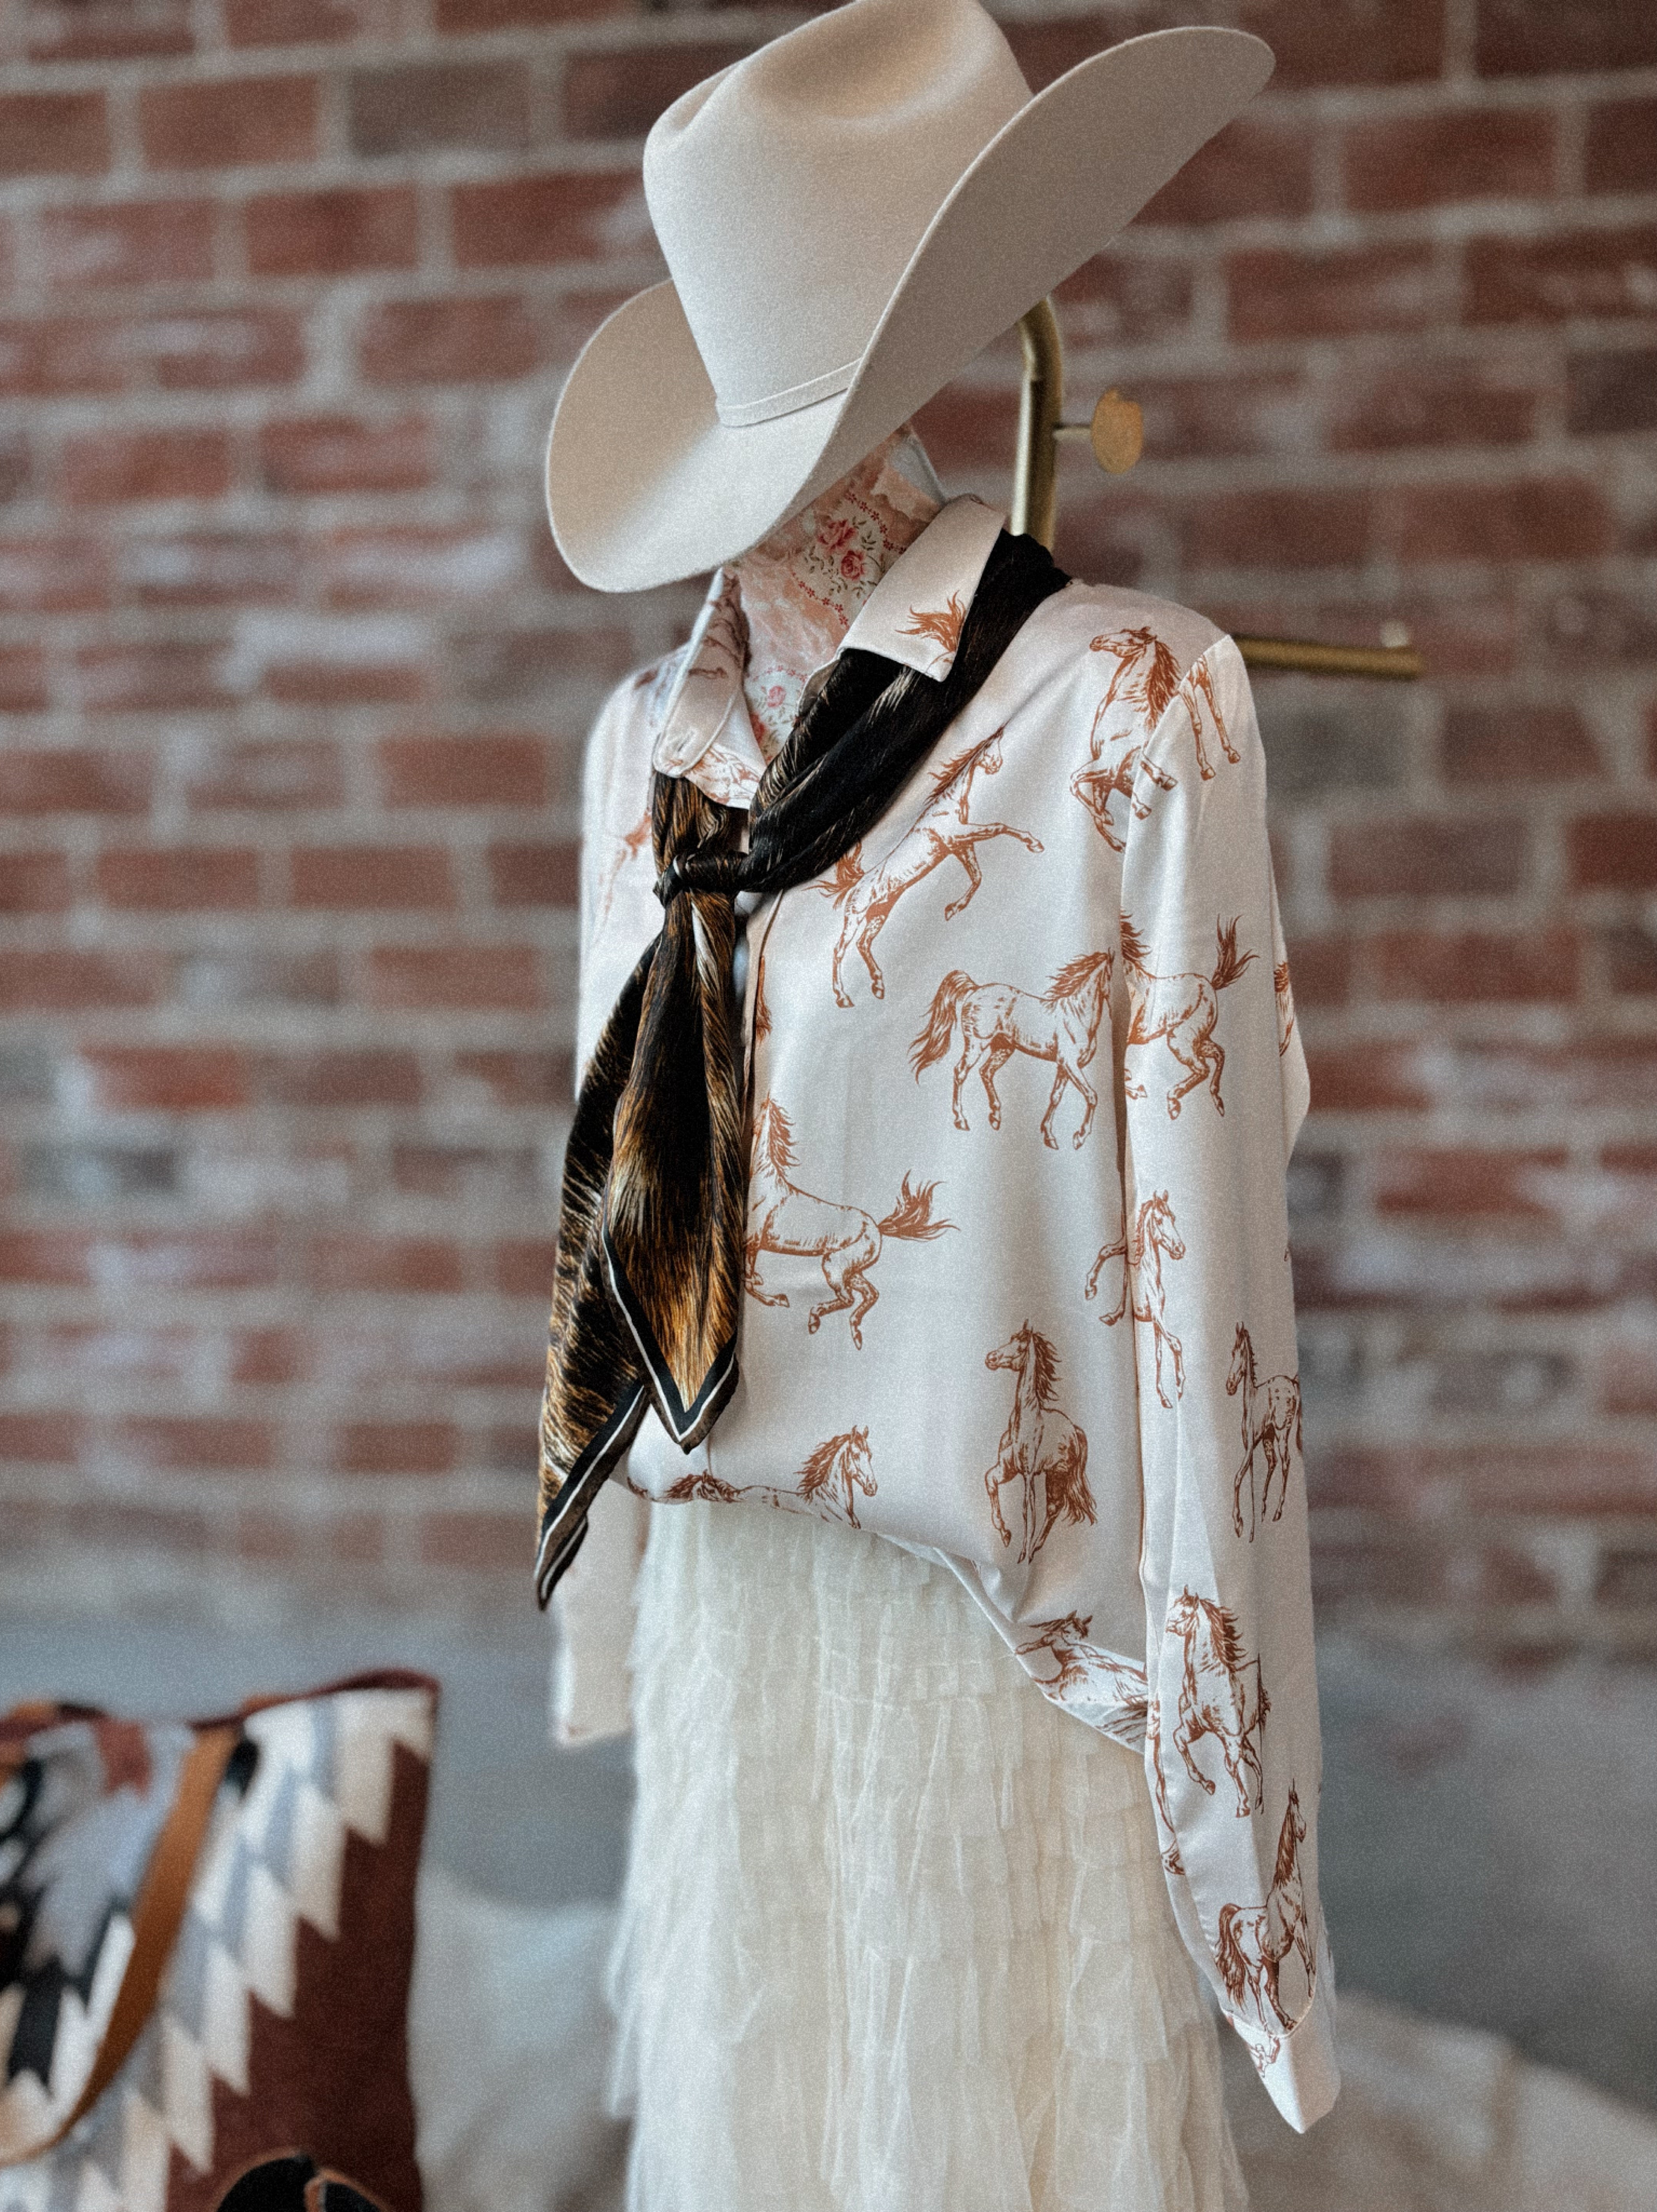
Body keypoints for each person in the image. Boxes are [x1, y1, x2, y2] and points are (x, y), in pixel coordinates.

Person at [538, 4, 1337, 2205]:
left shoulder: (1129, 706)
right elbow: (610, 1198)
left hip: (1015, 1622)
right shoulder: (648, 753)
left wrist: (1232, 1767)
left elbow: (1210, 1275)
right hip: (735, 1601)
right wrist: (612, 1608)